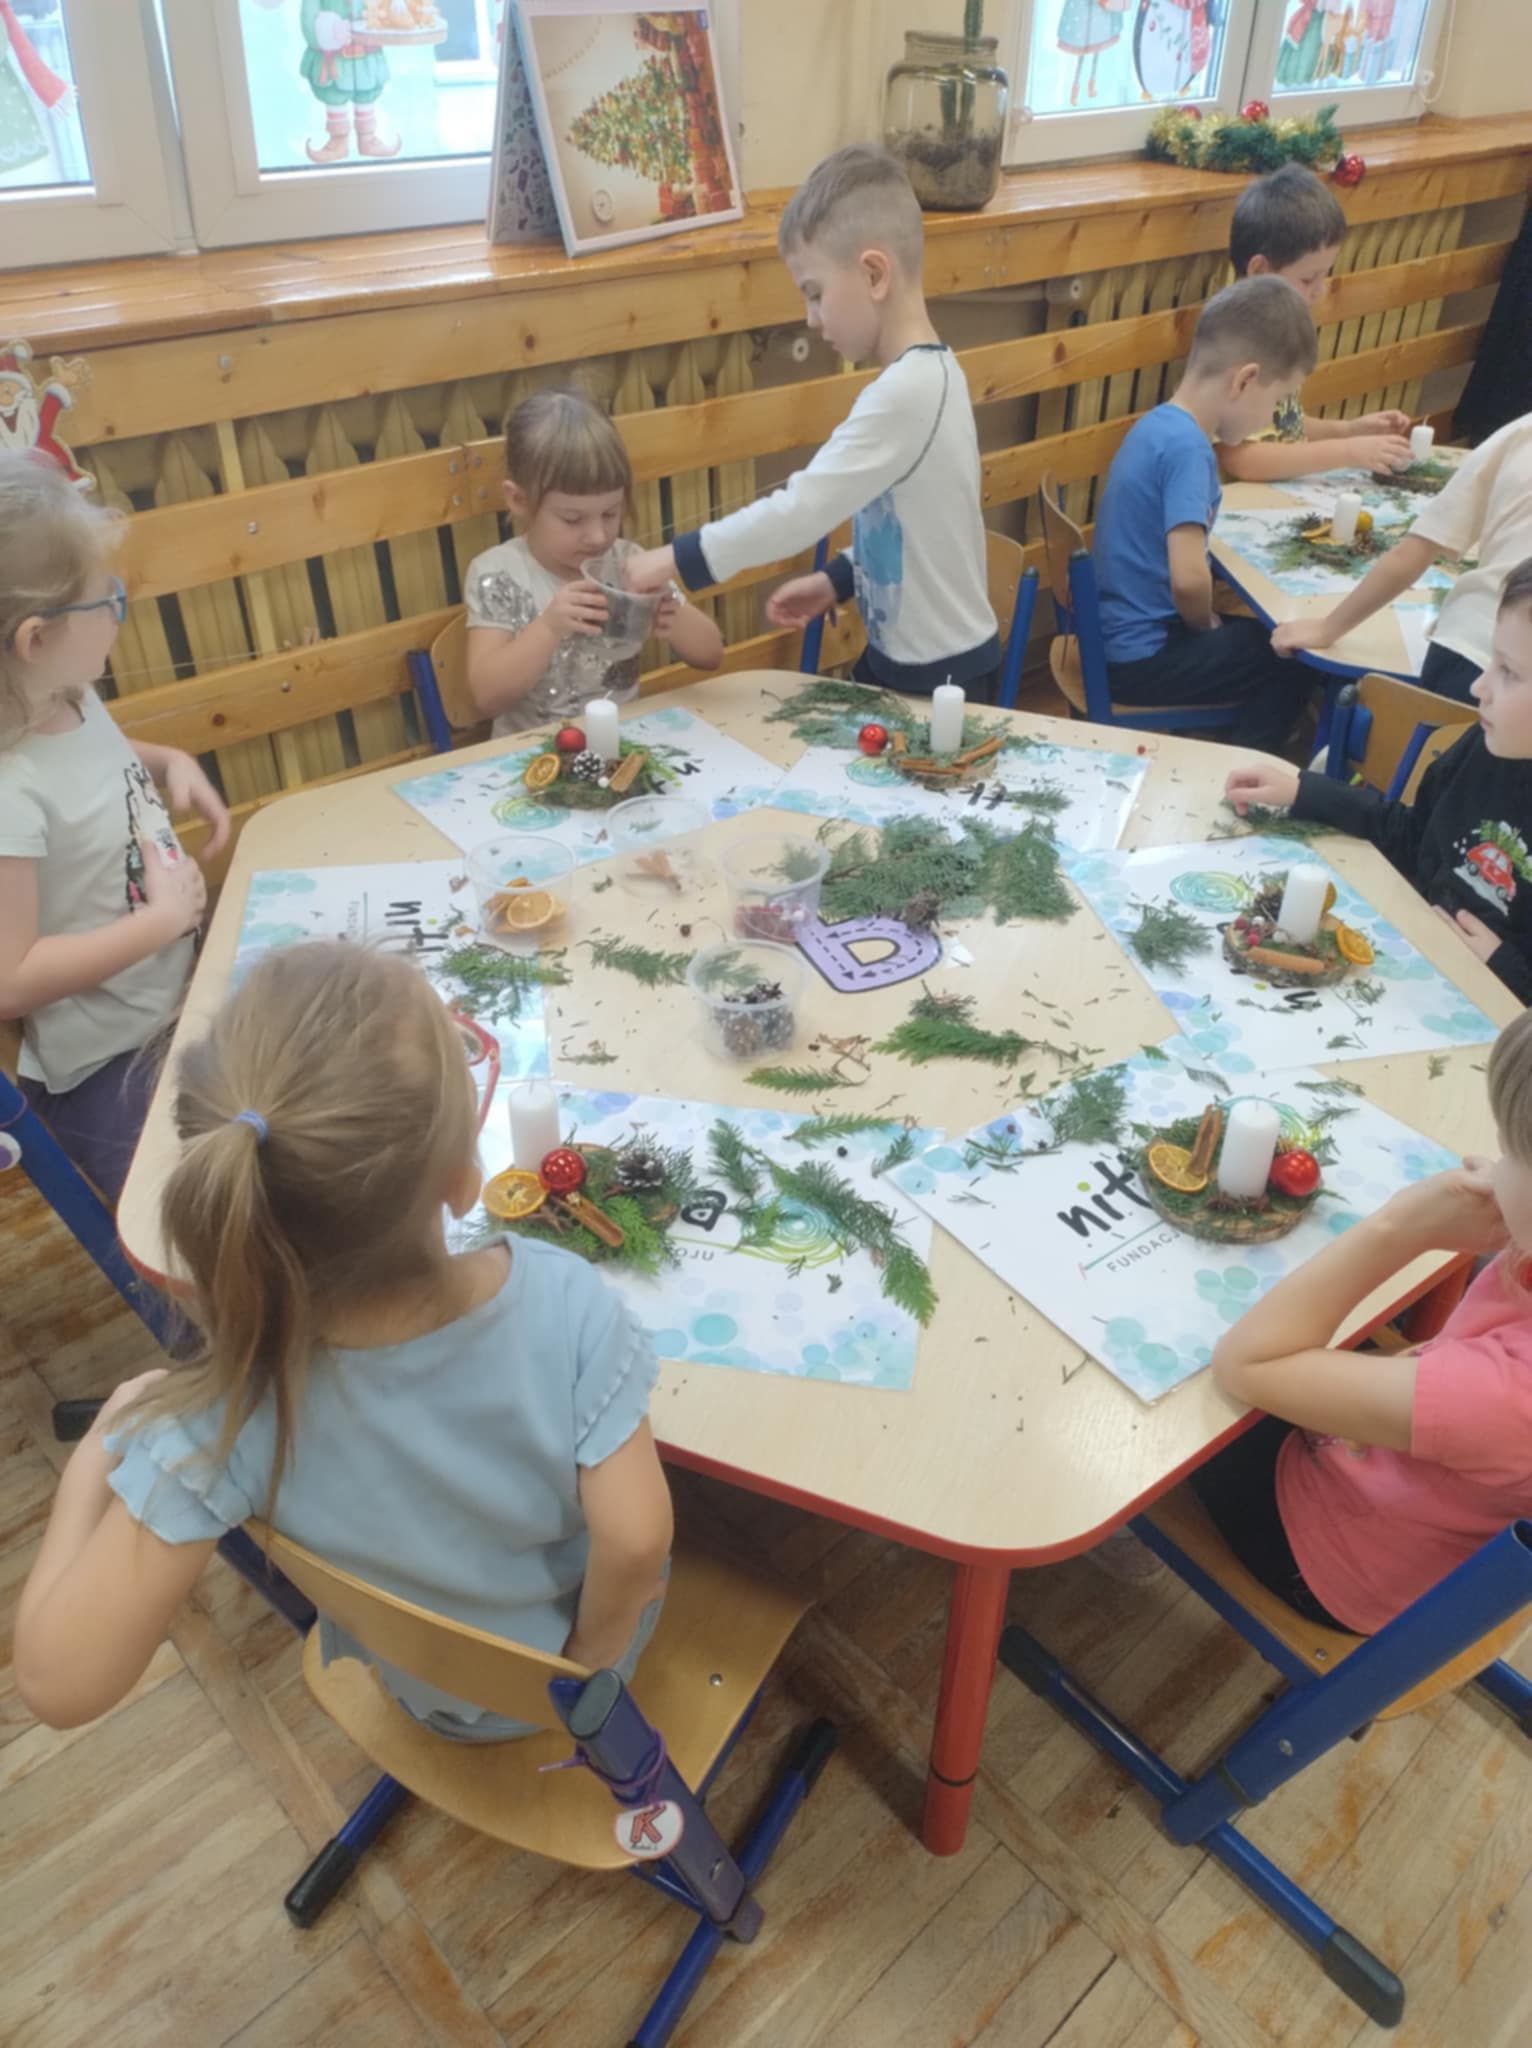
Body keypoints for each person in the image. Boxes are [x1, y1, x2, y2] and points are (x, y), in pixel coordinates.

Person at [13, 943, 674, 1735]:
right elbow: (637, 1539)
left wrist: (96, 1456)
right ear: (464, 1181)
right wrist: (584, 1668)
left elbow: (54, 1684)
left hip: (431, 1698)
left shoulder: (221, 1416)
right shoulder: (564, 1303)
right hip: (585, 1691)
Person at [1197, 1003, 1532, 1637]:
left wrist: (1401, 1227)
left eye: (1512, 1155)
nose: (1491, 1162)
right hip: (1402, 1479)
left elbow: (1247, 1363)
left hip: (1321, 1553)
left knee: (1185, 1395)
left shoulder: (1505, 1398)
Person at [623, 144, 1000, 702]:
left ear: (874, 274)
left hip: (943, 681)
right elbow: (916, 526)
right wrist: (838, 580)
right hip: (900, 663)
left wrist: (672, 559)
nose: (811, 318)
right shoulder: (930, 375)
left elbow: (800, 511)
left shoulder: (906, 393)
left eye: (815, 293)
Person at [0, 450, 227, 1204]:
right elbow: (11, 979)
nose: (119, 613)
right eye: (109, 600)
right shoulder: (8, 793)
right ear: (35, 638)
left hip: (176, 1003)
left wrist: (169, 761)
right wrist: (161, 922)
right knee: (190, 1221)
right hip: (109, 1069)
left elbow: (92, 760)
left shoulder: (65, 695)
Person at [1228, 558, 1532, 1002]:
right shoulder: (1484, 748)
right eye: (1492, 661)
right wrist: (1304, 791)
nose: (1477, 687)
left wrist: (1506, 971)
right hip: (1420, 971)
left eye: (1509, 672)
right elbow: (1414, 836)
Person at [1091, 275, 1321, 751]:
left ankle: (1229, 742)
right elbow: (1188, 580)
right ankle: (1241, 767)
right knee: (1292, 658)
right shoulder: (1190, 449)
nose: (1272, 419)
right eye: (1277, 402)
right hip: (1143, 658)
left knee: (1263, 639)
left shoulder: (1158, 425)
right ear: (1245, 380)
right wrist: (1208, 626)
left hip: (1113, 640)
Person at [464, 389, 722, 738]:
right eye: (573, 519)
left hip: (624, 743)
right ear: (519, 500)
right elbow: (486, 697)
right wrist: (549, 627)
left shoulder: (628, 562)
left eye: (611, 513)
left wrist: (670, 612)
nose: (598, 536)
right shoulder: (498, 574)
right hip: (534, 754)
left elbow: (711, 655)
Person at [1272, 411, 1532, 704]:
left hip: (1475, 651)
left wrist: (1328, 628)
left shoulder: (1519, 435)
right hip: (1484, 656)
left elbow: (1412, 553)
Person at [1217, 163, 1412, 484]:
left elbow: (1284, 427)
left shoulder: (1276, 330)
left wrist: (1349, 430)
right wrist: (1346, 451)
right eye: (1308, 279)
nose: (1320, 291)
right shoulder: (1233, 341)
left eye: (1325, 275)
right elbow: (1241, 460)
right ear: (1260, 271)